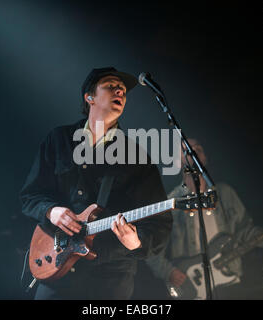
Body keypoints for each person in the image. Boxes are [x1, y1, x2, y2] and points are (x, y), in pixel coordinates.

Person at [19, 67, 173, 300]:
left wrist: (137, 242)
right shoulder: (59, 139)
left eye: (122, 90)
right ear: (89, 97)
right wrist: (52, 211)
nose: (120, 91)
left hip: (110, 279)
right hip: (57, 270)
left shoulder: (137, 157)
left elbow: (160, 225)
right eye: (111, 86)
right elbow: (30, 196)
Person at [146, 138, 263, 299]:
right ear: (176, 162)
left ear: (205, 158)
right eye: (187, 150)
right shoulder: (171, 203)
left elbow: (245, 233)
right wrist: (169, 271)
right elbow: (151, 249)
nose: (193, 153)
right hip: (190, 289)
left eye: (198, 149)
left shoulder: (225, 194)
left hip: (229, 281)